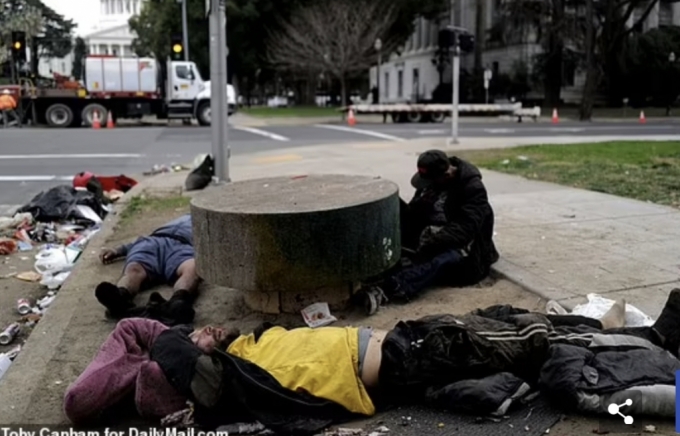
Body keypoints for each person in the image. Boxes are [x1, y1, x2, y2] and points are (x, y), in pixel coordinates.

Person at [65, 290, 680, 432]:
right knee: (531, 343)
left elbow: (136, 326)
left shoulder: (234, 354)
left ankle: (631, 333)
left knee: (507, 323)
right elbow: (150, 352)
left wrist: (192, 337)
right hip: (406, 357)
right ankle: (655, 342)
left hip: (404, 341)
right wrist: (188, 345)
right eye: (197, 339)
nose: (206, 331)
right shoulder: (186, 386)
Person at [357, 149, 500, 315]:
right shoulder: (430, 184)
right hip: (429, 234)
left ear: (446, 175)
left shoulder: (472, 188)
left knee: (443, 259)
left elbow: (464, 230)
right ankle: (372, 269)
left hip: (465, 250)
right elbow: (414, 213)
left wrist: (431, 243)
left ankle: (390, 289)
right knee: (392, 206)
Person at [95, 214, 199, 325]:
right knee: (134, 269)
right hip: (153, 241)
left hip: (184, 245)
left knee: (192, 268)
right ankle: (120, 298)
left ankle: (178, 302)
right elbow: (136, 242)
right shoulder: (185, 215)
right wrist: (117, 251)